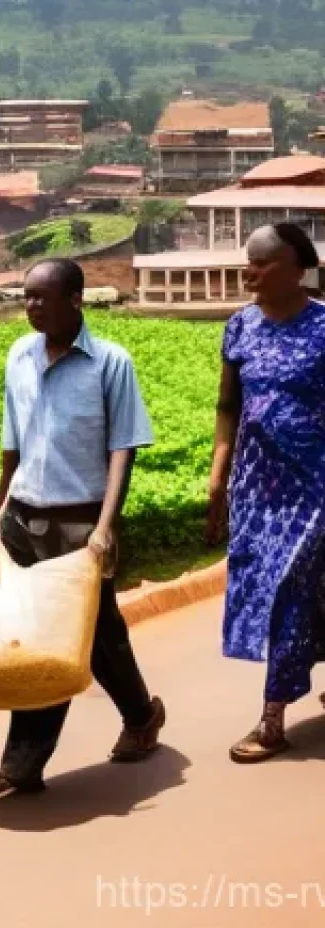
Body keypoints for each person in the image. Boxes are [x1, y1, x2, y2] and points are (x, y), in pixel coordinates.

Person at [0, 259, 166, 796]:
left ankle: (23, 761)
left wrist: (105, 528)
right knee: (72, 635)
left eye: (43, 297)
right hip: (23, 518)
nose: (32, 306)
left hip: (80, 521)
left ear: (76, 300)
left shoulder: (110, 363)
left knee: (70, 636)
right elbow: (11, 447)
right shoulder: (18, 355)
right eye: (27, 296)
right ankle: (141, 714)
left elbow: (122, 449)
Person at [207, 223, 325, 763]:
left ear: (295, 267)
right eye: (245, 261)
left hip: (315, 484)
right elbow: (228, 406)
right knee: (291, 585)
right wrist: (218, 473)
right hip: (257, 486)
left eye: (260, 263)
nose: (247, 271)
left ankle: (272, 717)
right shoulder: (239, 328)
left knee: (289, 584)